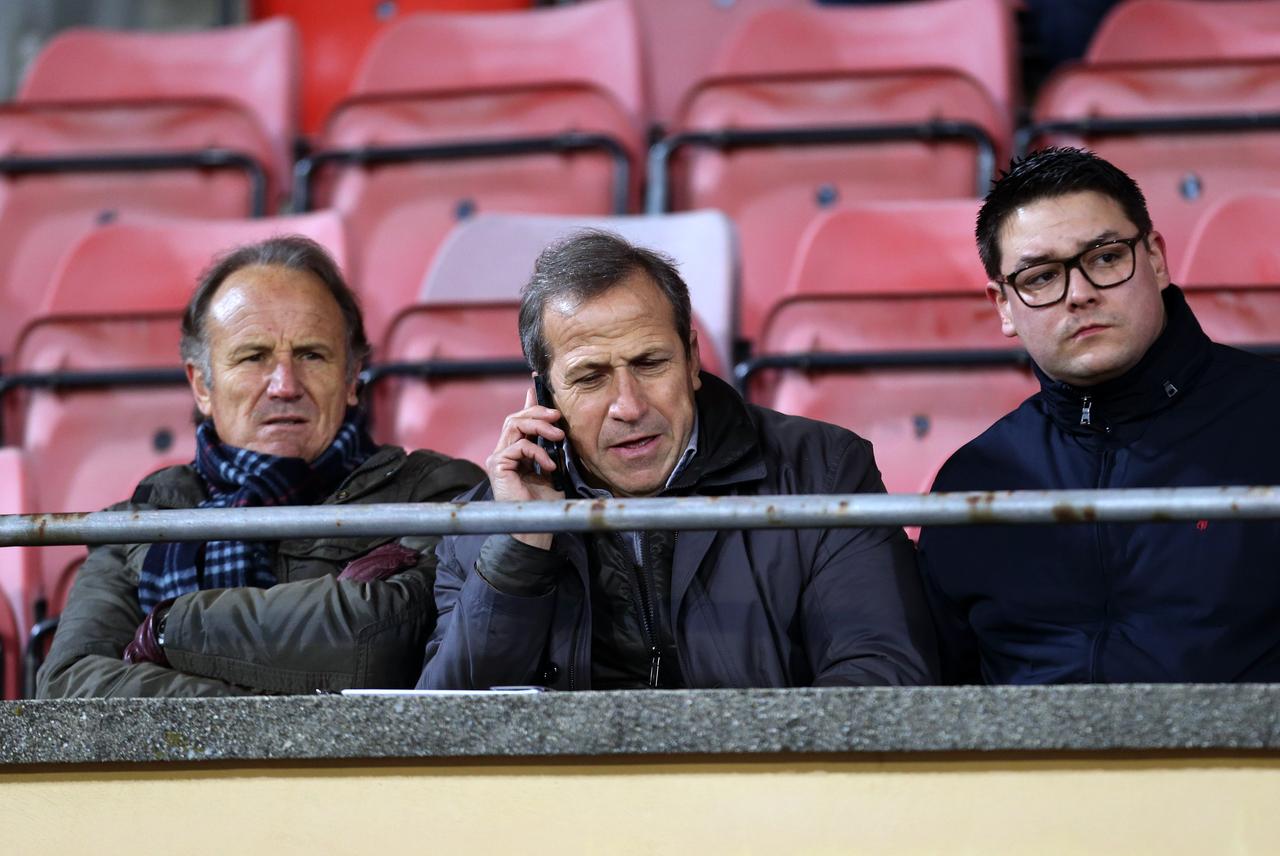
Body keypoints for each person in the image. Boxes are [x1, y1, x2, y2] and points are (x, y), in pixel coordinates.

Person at [418, 230, 937, 690]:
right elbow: (445, 731)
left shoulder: (821, 471)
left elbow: (884, 677)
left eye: (650, 363)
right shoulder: (483, 526)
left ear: (691, 359)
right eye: (590, 377)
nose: (629, 406)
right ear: (544, 394)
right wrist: (522, 545)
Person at [37, 236, 483, 697]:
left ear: (351, 378)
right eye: (254, 357)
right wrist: (265, 718)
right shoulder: (135, 526)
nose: (284, 385)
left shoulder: (436, 493)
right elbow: (71, 687)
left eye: (312, 355)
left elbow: (377, 643)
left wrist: (164, 629)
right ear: (202, 385)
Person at [917, 146, 1280, 684]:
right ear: (1003, 306)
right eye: (1040, 277)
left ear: (1155, 258)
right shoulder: (975, 481)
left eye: (1106, 257)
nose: (1079, 294)